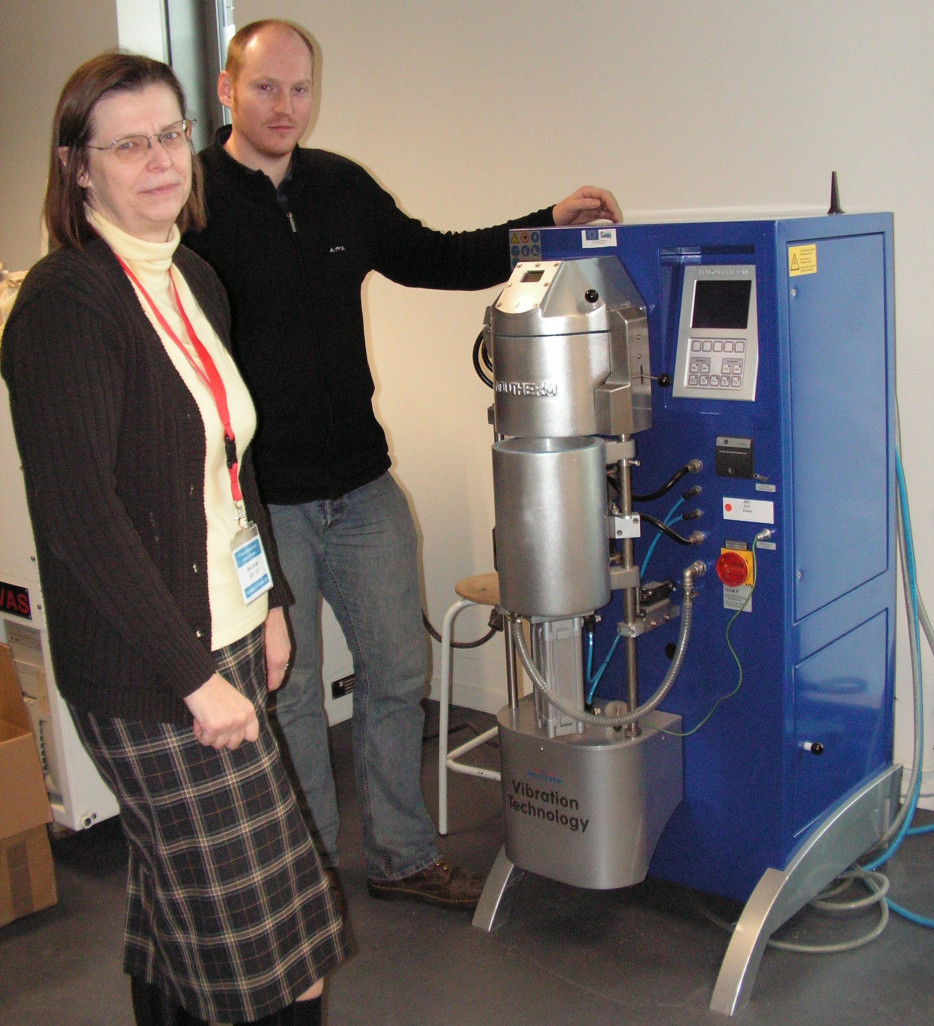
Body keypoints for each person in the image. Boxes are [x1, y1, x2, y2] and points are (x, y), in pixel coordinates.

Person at [184, 18, 622, 910]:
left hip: (362, 483)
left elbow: (438, 254)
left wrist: (545, 226)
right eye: (265, 87)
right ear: (227, 89)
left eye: (300, 89)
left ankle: (401, 856)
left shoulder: (340, 187)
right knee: (293, 691)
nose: (285, 106)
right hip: (262, 500)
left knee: (399, 675)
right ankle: (302, 867)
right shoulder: (191, 200)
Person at [1, 53, 347, 1026]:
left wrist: (271, 600)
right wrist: (194, 677)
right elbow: (80, 523)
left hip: (228, 629)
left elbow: (232, 468)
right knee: (283, 949)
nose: (160, 160)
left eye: (170, 134)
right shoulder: (67, 305)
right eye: (127, 145)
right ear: (79, 167)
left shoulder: (191, 275)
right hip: (154, 672)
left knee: (178, 912)